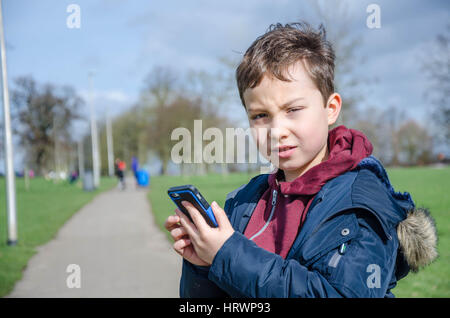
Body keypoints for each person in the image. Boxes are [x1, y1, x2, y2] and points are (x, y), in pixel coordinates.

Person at [164, 22, 438, 298]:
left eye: (293, 110)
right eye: (260, 116)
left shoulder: (361, 202)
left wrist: (228, 254)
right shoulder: (245, 201)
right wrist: (204, 264)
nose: (277, 130)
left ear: (330, 109)